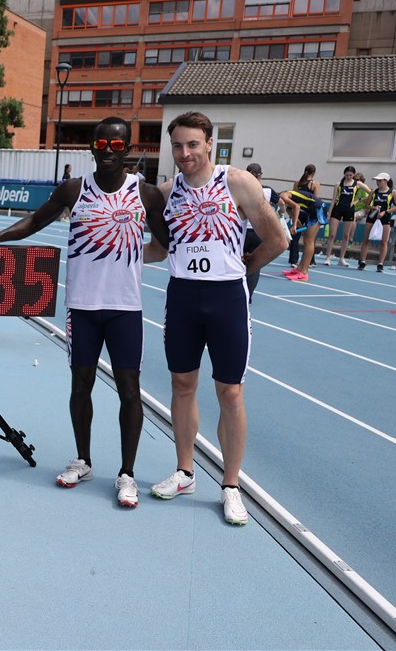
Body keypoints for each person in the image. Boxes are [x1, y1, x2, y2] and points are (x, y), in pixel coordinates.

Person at [0, 117, 169, 508]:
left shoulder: (146, 194)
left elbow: (170, 239)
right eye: (101, 144)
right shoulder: (74, 189)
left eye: (116, 145)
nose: (108, 152)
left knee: (129, 391)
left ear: (127, 149)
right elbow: (35, 221)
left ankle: (127, 474)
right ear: (92, 147)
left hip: (124, 308)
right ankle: (83, 460)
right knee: (80, 386)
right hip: (82, 307)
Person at [151, 111, 287, 526]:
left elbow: (277, 239)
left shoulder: (237, 182)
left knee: (230, 393)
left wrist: (246, 266)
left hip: (226, 298)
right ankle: (185, 472)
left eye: (193, 144)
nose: (185, 153)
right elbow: (160, 248)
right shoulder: (167, 192)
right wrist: (114, 254)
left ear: (210, 143)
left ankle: (231, 485)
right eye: (178, 146)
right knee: (182, 385)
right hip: (183, 297)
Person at [241, 163, 288, 302]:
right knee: (255, 264)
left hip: (242, 231)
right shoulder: (267, 190)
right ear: (260, 175)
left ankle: (236, 291)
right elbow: (282, 203)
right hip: (259, 232)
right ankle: (248, 296)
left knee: (237, 262)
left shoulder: (239, 188)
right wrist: (281, 213)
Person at [282, 164, 323, 282]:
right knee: (305, 240)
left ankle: (304, 272)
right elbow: (290, 210)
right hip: (308, 210)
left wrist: (295, 225)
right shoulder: (285, 198)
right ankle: (299, 268)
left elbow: (296, 207)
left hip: (317, 210)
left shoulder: (284, 197)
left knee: (309, 241)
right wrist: (298, 224)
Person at [323, 166, 371, 267]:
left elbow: (371, 192)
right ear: (344, 174)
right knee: (332, 235)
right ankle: (328, 257)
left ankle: (341, 258)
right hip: (337, 209)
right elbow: (333, 199)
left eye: (350, 175)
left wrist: (358, 200)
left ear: (353, 175)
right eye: (346, 175)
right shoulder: (338, 184)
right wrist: (329, 213)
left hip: (349, 210)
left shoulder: (358, 184)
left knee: (346, 235)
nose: (348, 177)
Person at [358, 173, 396, 272]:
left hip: (385, 218)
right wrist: (374, 207)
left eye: (380, 180)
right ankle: (363, 261)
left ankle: (380, 263)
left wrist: (385, 212)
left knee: (384, 241)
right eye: (377, 180)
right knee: (366, 239)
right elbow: (367, 205)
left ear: (386, 181)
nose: (377, 182)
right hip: (372, 216)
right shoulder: (374, 192)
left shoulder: (393, 192)